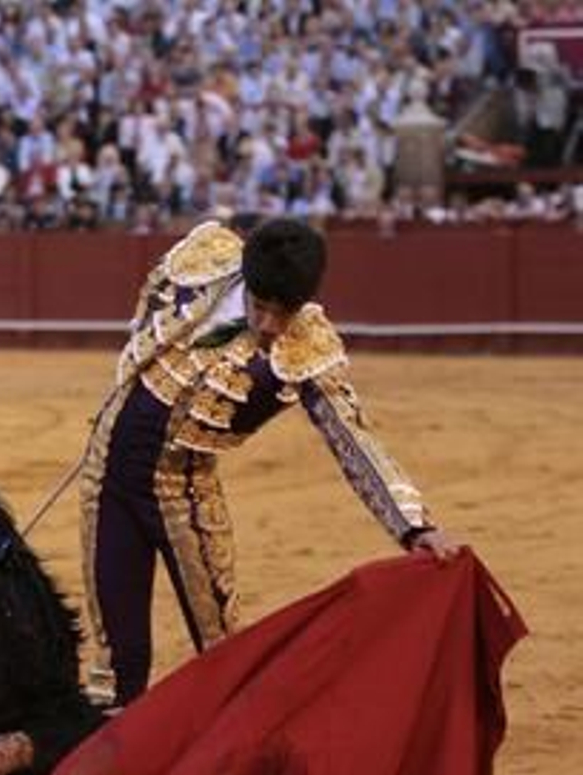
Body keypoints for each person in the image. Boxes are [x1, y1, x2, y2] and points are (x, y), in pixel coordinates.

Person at [78, 217, 459, 708]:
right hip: (106, 473)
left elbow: (352, 438)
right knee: (117, 658)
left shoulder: (308, 345)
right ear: (245, 278)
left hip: (183, 495)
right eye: (260, 308)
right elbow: (148, 309)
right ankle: (109, 774)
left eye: (285, 314)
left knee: (222, 651)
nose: (269, 326)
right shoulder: (205, 259)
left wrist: (413, 526)